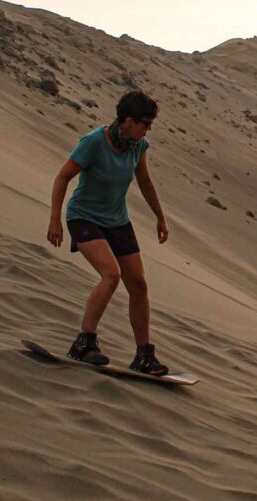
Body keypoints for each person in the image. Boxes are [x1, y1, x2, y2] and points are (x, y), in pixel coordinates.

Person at [47, 90, 170, 375]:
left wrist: (160, 218)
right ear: (127, 121)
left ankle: (143, 355)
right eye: (144, 123)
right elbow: (63, 177)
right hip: (84, 217)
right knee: (111, 275)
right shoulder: (93, 143)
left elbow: (145, 182)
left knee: (138, 284)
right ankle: (84, 343)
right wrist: (55, 219)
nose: (148, 128)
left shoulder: (139, 146)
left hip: (117, 220)